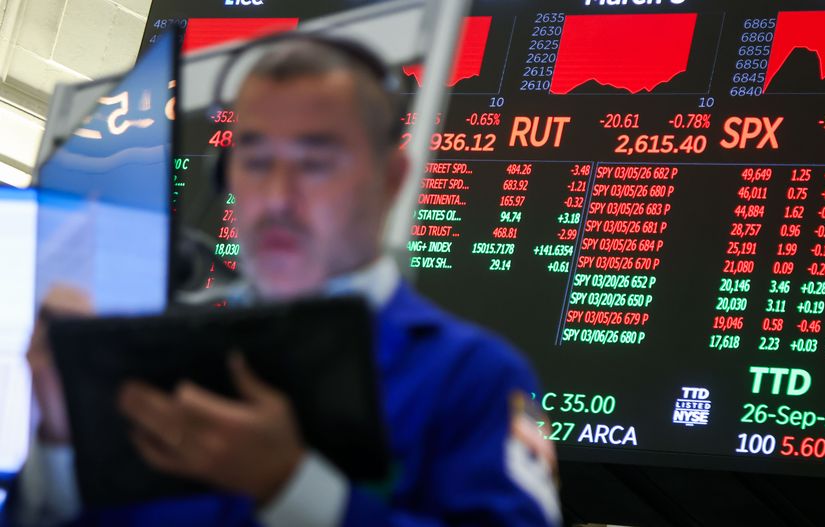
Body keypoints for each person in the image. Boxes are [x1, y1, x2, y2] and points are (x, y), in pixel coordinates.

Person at [11, 37, 560, 527]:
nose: (276, 198)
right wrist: (60, 439)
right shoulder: (161, 358)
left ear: (391, 181)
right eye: (255, 161)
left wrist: (293, 488)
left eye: (314, 163)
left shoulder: (473, 379)